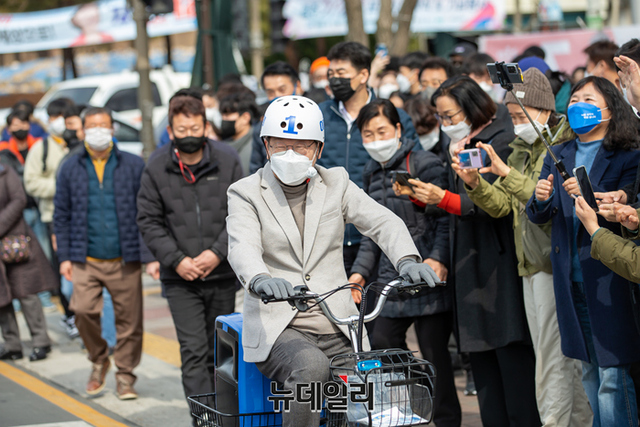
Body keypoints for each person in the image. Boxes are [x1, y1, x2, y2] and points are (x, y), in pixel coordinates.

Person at [226, 95, 440, 427]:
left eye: (302, 147)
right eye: (281, 146)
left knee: (371, 389)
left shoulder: (336, 183)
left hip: (337, 321)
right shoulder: (245, 192)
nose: (291, 155)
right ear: (266, 145)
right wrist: (259, 279)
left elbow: (381, 221)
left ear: (319, 149)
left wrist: (407, 260)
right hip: (280, 323)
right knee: (311, 367)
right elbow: (242, 246)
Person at [453, 68, 592, 426]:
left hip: (554, 263)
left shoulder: (560, 147)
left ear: (544, 110)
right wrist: (475, 184)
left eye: (521, 115)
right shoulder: (517, 150)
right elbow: (502, 205)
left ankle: (556, 422)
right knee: (557, 357)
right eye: (512, 117)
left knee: (552, 358)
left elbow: (542, 200)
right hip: (528, 264)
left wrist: (503, 171)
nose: (517, 124)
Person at [398, 75, 540, 425]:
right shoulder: (460, 143)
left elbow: (491, 204)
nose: (446, 124)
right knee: (482, 364)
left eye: (451, 115)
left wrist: (442, 198)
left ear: (473, 106)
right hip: (467, 261)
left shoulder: (500, 141)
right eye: (442, 117)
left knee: (511, 362)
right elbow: (454, 203)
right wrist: (426, 197)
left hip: (497, 259)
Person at [527, 76, 640, 426]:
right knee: (589, 370)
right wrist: (541, 197)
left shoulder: (628, 156)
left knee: (613, 373)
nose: (578, 107)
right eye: (574, 100)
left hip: (610, 276)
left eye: (588, 99)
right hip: (569, 275)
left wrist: (590, 191)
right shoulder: (558, 152)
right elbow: (539, 215)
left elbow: (626, 210)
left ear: (609, 108)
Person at [349, 99, 461, 427]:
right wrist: (358, 273)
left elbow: (443, 220)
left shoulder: (426, 163)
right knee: (382, 341)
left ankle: (445, 419)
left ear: (398, 129)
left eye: (381, 131)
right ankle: (413, 405)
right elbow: (372, 233)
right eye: (367, 134)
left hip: (426, 275)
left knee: (434, 353)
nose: (375, 139)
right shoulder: (370, 174)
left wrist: (437, 259)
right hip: (389, 279)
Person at [137, 94, 242, 408]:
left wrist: (217, 252)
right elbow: (148, 220)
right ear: (170, 131)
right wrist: (177, 260)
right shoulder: (156, 166)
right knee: (193, 351)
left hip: (223, 274)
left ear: (206, 127)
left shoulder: (228, 158)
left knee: (225, 352)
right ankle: (202, 416)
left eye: (195, 128)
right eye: (181, 130)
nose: (189, 135)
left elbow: (242, 212)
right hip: (179, 279)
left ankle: (229, 414)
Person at [54, 107, 150, 400]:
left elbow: (146, 212)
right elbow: (62, 214)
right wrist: (65, 258)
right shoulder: (70, 166)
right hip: (86, 257)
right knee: (81, 310)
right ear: (82, 130)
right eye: (92, 125)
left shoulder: (133, 164)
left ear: (113, 129)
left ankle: (125, 376)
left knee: (129, 322)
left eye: (104, 125)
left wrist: (148, 256)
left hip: (125, 258)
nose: (98, 130)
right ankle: (98, 358)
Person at [317, 41, 419, 275]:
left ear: (364, 75)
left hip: (379, 236)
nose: (334, 80)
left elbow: (412, 167)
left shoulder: (393, 116)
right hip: (330, 237)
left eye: (342, 74)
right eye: (331, 74)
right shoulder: (319, 116)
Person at [0, 164, 56, 361]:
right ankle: (12, 345)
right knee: (2, 298)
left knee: (27, 293)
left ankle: (41, 341)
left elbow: (19, 200)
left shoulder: (5, 171)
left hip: (15, 241)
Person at [250, 62, 303, 174]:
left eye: (282, 90)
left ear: (297, 86)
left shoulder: (317, 121)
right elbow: (256, 168)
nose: (277, 96)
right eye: (271, 92)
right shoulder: (262, 127)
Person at [218, 92, 258, 175]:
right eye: (222, 114)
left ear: (245, 118)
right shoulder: (223, 144)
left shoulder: (257, 145)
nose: (223, 119)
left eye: (228, 114)